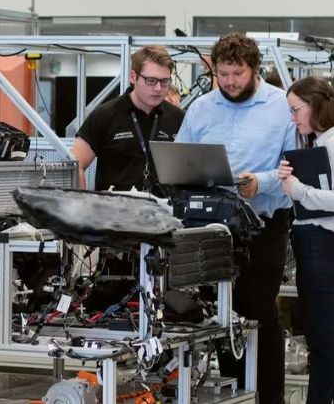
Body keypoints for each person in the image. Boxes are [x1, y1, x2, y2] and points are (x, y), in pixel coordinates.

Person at [176, 33, 295, 404]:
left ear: (254, 69)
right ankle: (235, 393)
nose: (229, 81)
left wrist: (262, 182)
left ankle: (269, 396)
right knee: (223, 316)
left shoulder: (280, 107)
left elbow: (294, 167)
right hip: (213, 229)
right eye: (223, 73)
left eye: (237, 73)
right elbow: (180, 160)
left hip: (264, 226)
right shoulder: (201, 108)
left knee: (258, 309)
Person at [278, 76, 334, 404]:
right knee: (321, 345)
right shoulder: (323, 143)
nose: (294, 117)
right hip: (315, 245)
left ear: (315, 105)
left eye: (296, 109)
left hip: (321, 247)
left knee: (333, 346)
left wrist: (297, 189)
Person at [72, 45, 185, 194]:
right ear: (133, 77)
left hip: (164, 210)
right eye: (151, 80)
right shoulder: (105, 115)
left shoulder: (178, 118)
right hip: (114, 211)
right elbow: (76, 163)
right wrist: (82, 204)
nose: (158, 88)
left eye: (164, 81)